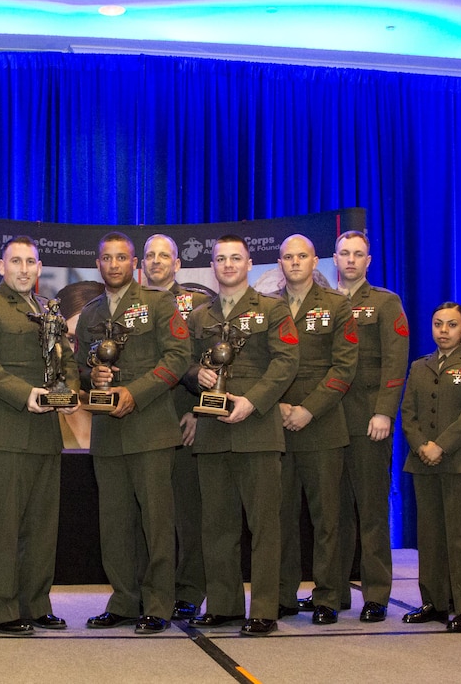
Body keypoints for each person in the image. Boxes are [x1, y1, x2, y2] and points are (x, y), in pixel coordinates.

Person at [0, 236, 79, 635]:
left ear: (40, 268)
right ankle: (2, 610)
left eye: (30, 262)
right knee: (5, 527)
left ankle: (36, 603)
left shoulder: (49, 309)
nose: (23, 269)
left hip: (46, 432)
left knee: (42, 527)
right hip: (3, 432)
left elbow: (66, 358)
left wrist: (71, 392)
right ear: (1, 267)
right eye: (16, 261)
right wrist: (24, 393)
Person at [74, 232, 190, 635]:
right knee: (115, 523)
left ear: (133, 263)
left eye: (121, 258)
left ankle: (159, 604)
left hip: (151, 430)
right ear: (98, 264)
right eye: (106, 258)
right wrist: (95, 376)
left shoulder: (159, 304)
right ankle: (124, 600)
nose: (113, 265)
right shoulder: (89, 314)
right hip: (106, 433)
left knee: (157, 524)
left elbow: (178, 358)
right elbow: (78, 367)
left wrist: (134, 393)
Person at [184, 235, 299, 637]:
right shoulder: (199, 316)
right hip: (212, 432)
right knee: (217, 525)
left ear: (249, 264)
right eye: (220, 259)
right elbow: (183, 362)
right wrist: (194, 376)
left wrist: (253, 401)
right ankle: (224, 604)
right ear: (212, 266)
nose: (228, 264)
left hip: (257, 430)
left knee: (265, 525)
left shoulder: (272, 308)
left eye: (236, 258)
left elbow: (287, 362)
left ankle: (264, 608)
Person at [274, 234, 358, 625]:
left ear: (315, 261)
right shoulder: (266, 307)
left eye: (302, 256)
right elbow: (257, 367)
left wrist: (308, 409)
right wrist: (276, 406)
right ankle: (282, 594)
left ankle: (327, 595)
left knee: (327, 518)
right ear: (280, 263)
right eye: (288, 257)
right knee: (280, 516)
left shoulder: (338, 306)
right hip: (274, 423)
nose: (294, 262)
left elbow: (344, 369)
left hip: (321, 424)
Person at [401, 302, 461, 633]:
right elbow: (408, 414)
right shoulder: (420, 366)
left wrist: (440, 445)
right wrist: (422, 445)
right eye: (438, 324)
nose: (444, 330)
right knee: (430, 536)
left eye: (451, 325)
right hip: (424, 463)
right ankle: (435, 602)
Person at [332, 231, 409, 622]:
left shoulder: (384, 302)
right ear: (334, 258)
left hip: (368, 420)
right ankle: (335, 593)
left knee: (372, 510)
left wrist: (385, 412)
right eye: (344, 253)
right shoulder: (322, 303)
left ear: (369, 260)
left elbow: (396, 362)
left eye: (357, 254)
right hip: (327, 420)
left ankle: (377, 594)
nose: (350, 260)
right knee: (334, 512)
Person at [142, 233, 211, 621]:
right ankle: (150, 590)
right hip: (142, 419)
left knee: (187, 512)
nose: (156, 261)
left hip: (185, 420)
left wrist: (200, 411)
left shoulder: (198, 304)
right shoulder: (127, 305)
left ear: (178, 263)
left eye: (164, 255)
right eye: (150, 255)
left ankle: (188, 590)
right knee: (148, 514)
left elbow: (214, 367)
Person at [55, 280, 105, 449]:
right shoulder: (41, 403)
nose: (76, 352)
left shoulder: (128, 402)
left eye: (89, 341)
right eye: (69, 339)